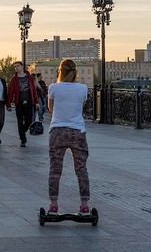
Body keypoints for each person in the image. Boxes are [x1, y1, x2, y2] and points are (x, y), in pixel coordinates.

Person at [47, 59, 90, 216]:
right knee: (81, 169)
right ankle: (84, 205)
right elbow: (81, 105)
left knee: (55, 169)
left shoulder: (53, 87)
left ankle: (53, 205)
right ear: (75, 72)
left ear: (60, 71)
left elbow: (51, 109)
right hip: (77, 131)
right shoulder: (83, 88)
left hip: (57, 131)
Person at [6, 61, 36, 147]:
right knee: (19, 121)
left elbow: (33, 90)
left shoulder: (29, 77)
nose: (16, 68)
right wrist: (8, 104)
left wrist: (36, 102)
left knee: (29, 120)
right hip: (19, 103)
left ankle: (22, 131)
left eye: (18, 66)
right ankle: (23, 139)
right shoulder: (14, 79)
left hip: (29, 102)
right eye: (15, 67)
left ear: (22, 66)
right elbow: (11, 92)